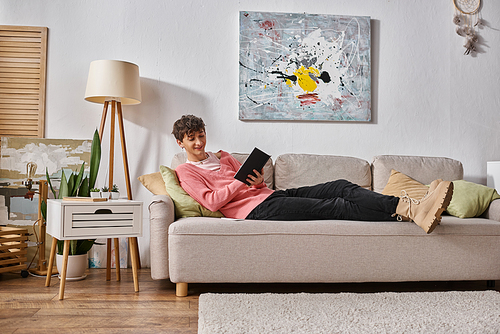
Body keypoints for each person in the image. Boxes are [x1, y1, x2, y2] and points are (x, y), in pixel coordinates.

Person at [172, 115, 454, 234]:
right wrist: (237, 183)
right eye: (191, 139)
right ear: (180, 143)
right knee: (338, 207)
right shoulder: (185, 171)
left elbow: (254, 184)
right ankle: (410, 210)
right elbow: (211, 201)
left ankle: (412, 210)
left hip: (272, 196)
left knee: (342, 185)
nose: (199, 143)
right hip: (256, 211)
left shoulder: (223, 156)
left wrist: (258, 180)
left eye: (201, 136)